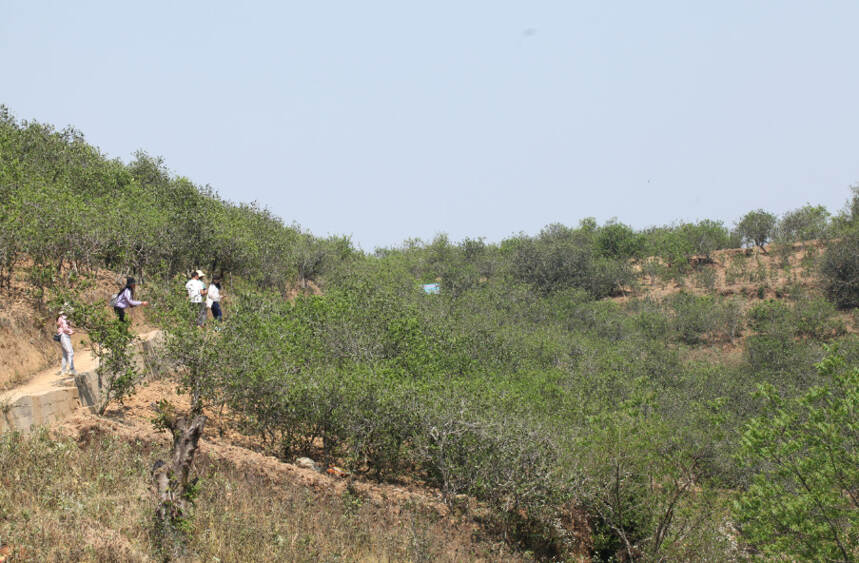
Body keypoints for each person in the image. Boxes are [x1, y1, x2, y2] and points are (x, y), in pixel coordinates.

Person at [56, 308, 77, 376]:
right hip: (64, 336)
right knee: (70, 352)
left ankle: (63, 371)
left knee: (65, 354)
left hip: (62, 336)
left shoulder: (60, 318)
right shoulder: (64, 318)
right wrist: (71, 331)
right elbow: (65, 328)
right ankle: (71, 369)